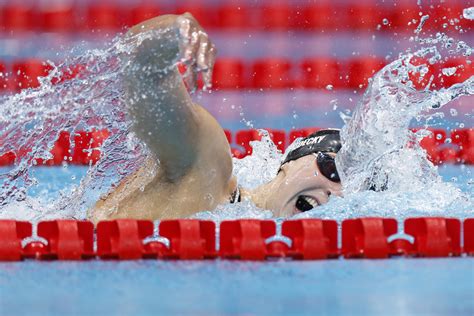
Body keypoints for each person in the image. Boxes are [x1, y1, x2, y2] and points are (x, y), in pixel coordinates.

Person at [89, 13, 342, 222]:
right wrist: (177, 31)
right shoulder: (206, 166)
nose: (334, 193)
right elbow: (140, 61)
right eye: (332, 170)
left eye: (349, 190)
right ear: (291, 162)